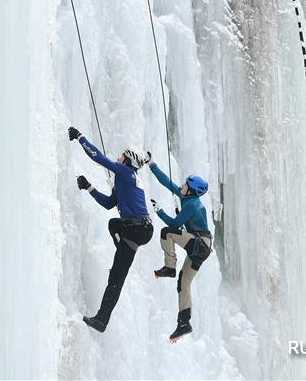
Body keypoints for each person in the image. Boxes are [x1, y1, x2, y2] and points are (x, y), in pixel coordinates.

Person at [69, 126, 153, 332]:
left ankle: (101, 320)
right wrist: (89, 187)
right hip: (140, 230)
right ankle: (102, 317)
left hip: (135, 229)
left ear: (128, 160)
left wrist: (80, 137)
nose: (119, 156)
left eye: (122, 155)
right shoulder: (128, 179)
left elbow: (98, 158)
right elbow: (109, 204)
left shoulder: (125, 172)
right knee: (113, 225)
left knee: (115, 278)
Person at [147, 152, 212, 342]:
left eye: (185, 185)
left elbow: (174, 225)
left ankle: (169, 267)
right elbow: (167, 183)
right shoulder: (187, 197)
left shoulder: (192, 204)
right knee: (183, 283)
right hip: (201, 248)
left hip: (199, 243)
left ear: (190, 191)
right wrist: (152, 165)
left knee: (167, 232)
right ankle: (184, 323)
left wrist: (158, 210)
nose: (182, 185)